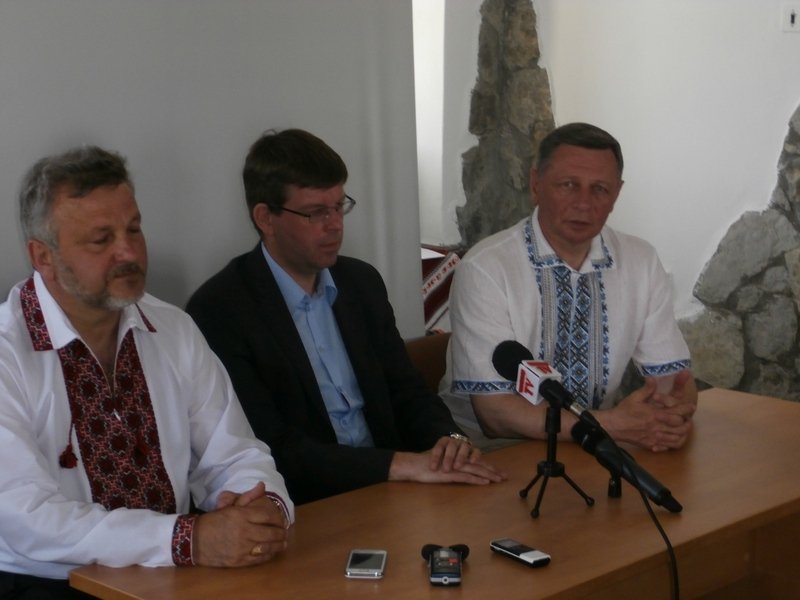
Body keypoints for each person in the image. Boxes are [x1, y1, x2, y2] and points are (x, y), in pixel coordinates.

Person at [0, 146, 294, 598]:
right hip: (47, 585)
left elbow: (234, 453)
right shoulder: (7, 352)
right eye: (101, 240)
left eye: (134, 229)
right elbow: (26, 518)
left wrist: (262, 506)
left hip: (176, 575)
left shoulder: (172, 327)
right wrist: (187, 540)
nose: (128, 252)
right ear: (43, 256)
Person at [186, 128, 505, 505]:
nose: (335, 224)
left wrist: (448, 441)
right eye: (315, 212)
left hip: (395, 488)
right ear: (266, 218)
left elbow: (407, 390)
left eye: (339, 206)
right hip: (309, 504)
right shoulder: (222, 309)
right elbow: (272, 447)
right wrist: (399, 465)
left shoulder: (360, 283)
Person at [443, 122, 697, 452]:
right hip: (493, 453)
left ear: (617, 194)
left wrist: (669, 416)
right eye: (568, 185)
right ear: (536, 184)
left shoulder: (641, 261)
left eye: (600, 189)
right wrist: (614, 425)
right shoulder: (486, 268)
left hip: (592, 447)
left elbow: (675, 381)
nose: (583, 203)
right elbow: (495, 416)